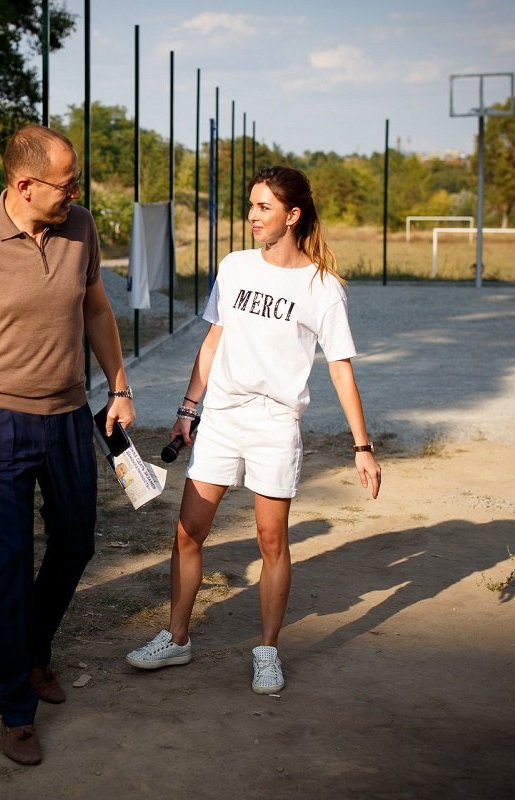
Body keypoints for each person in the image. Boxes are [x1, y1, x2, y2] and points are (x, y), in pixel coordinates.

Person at [124, 166, 381, 697]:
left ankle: (267, 650)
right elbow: (214, 341)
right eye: (251, 205)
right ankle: (176, 637)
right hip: (220, 417)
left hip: (274, 424)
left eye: (264, 207)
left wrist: (362, 447)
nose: (252, 216)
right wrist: (188, 408)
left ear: (293, 215)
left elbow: (339, 368)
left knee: (271, 541)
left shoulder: (323, 288)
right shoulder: (235, 266)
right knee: (187, 532)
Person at [0, 123, 134, 766]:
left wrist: (119, 386)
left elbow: (96, 310)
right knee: (8, 559)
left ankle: (34, 648)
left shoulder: (80, 229)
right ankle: (14, 704)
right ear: (24, 184)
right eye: (66, 181)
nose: (75, 190)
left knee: (78, 542)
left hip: (71, 416)